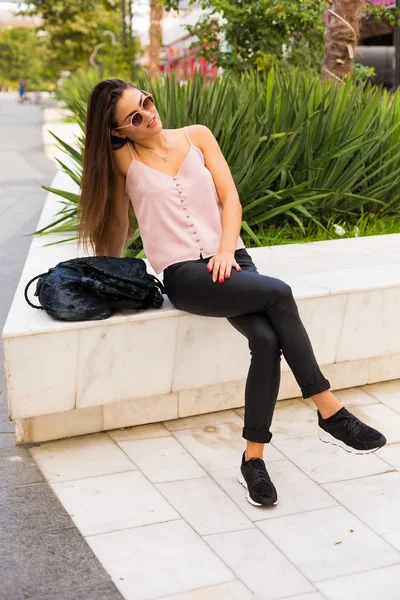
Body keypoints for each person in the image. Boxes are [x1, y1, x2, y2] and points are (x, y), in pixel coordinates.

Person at [79, 79, 387, 507]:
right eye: (135, 116)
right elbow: (117, 224)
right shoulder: (122, 160)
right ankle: (328, 408)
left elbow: (231, 198)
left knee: (265, 339)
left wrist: (227, 250)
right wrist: (104, 274)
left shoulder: (197, 135)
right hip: (185, 273)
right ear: (118, 132)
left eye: (146, 102)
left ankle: (252, 459)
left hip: (233, 259)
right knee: (279, 293)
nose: (149, 114)